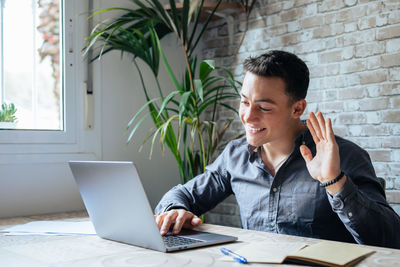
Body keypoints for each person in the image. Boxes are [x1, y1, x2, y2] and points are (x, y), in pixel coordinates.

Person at [154, 50, 400, 249]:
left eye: (264, 108)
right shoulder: (235, 155)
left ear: (297, 108)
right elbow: (183, 195)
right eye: (245, 102)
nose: (248, 116)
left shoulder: (343, 155)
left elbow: (389, 239)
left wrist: (334, 181)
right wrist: (175, 212)